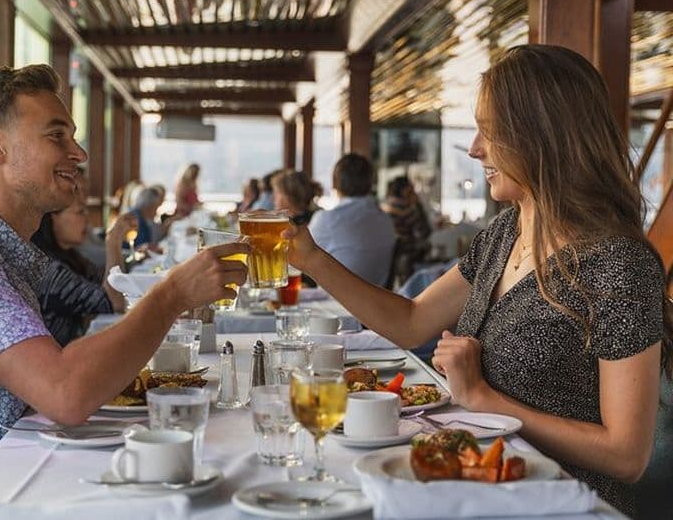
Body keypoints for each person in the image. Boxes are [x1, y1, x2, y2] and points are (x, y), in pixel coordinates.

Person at [285, 45, 671, 517]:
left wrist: (484, 399)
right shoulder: (506, 232)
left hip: (562, 503)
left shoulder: (619, 265)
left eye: (490, 131)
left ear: (542, 136)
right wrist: (312, 258)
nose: (474, 147)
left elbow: (627, 456)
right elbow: (410, 321)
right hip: (477, 486)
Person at [0, 65, 249, 518]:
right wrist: (170, 295)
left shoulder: (0, 250)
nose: (80, 152)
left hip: (2, 490)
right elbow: (65, 393)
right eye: (57, 136)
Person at [31, 195, 135, 345]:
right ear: (52, 217)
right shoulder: (50, 271)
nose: (87, 220)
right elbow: (114, 302)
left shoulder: (72, 256)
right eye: (80, 212)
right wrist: (113, 241)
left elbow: (103, 284)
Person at [308, 153, 396, 287]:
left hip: (335, 302)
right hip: (377, 302)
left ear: (336, 182)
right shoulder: (385, 219)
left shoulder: (328, 220)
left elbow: (301, 258)